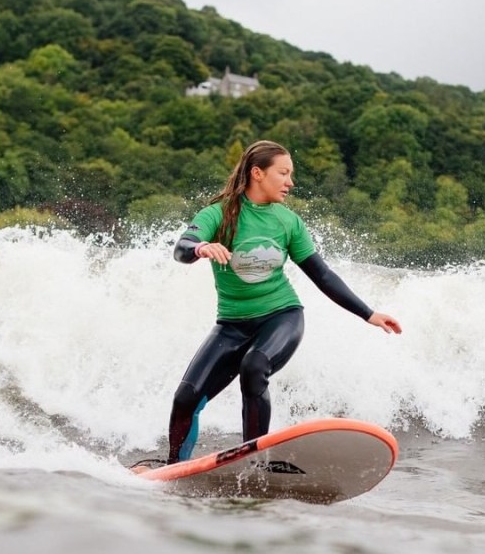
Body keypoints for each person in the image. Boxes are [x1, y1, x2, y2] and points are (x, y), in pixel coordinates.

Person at [165, 140, 402, 464]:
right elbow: (183, 247)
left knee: (255, 366)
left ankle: (254, 460)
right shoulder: (217, 214)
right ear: (257, 173)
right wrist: (200, 248)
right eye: (284, 173)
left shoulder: (288, 223)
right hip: (231, 326)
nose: (290, 182)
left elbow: (323, 275)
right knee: (185, 398)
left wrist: (368, 313)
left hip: (281, 316)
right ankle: (172, 468)